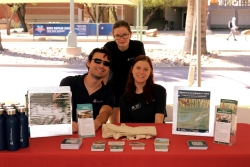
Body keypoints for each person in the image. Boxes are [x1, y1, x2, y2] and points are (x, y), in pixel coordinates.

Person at [59, 47, 115, 132]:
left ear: (108, 68)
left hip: (91, 136)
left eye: (106, 63)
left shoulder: (108, 92)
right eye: (97, 61)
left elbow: (105, 112)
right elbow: (57, 109)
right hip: (65, 134)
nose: (101, 65)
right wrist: (67, 123)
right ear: (88, 63)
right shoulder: (68, 83)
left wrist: (97, 122)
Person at [103, 20, 145, 123]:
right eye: (118, 36)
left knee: (132, 123)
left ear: (130, 34)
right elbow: (104, 69)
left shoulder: (137, 46)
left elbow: (143, 67)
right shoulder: (109, 47)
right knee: (115, 125)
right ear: (113, 36)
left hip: (133, 86)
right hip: (114, 87)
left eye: (125, 35)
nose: (121, 39)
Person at [119, 55, 166, 123]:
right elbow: (126, 127)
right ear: (132, 70)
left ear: (150, 72)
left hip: (155, 132)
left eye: (146, 69)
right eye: (138, 68)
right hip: (134, 133)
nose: (141, 72)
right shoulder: (124, 99)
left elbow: (158, 123)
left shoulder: (160, 91)